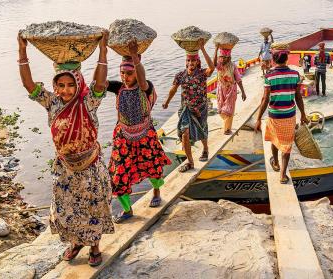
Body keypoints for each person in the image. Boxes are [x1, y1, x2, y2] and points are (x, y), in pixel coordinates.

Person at [17, 31, 114, 266]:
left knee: (93, 207)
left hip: (90, 167)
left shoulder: (88, 101)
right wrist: (22, 51)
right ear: (55, 86)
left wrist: (102, 50)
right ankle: (76, 242)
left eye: (71, 84)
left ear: (78, 83)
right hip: (65, 169)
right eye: (61, 85)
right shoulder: (52, 103)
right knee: (66, 210)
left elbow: (100, 83)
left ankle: (94, 247)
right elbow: (29, 84)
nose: (66, 90)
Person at [107, 40, 171, 223]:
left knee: (153, 167)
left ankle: (156, 191)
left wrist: (135, 57)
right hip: (123, 139)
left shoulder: (146, 87)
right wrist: (102, 55)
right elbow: (99, 84)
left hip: (145, 136)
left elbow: (142, 82)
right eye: (123, 73)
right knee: (118, 174)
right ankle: (127, 210)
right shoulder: (118, 88)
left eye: (129, 73)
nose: (125, 77)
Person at [254, 43, 309, 184]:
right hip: (289, 115)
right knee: (287, 145)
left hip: (274, 115)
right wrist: (303, 114)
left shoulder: (269, 75)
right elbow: (298, 96)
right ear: (286, 58)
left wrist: (259, 118)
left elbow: (265, 99)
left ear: (273, 58)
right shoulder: (295, 74)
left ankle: (276, 163)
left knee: (274, 140)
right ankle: (283, 175)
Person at [163, 39, 215, 172]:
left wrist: (202, 49)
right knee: (185, 133)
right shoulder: (180, 75)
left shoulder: (202, 74)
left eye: (193, 61)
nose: (190, 63)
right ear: (186, 62)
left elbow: (212, 68)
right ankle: (190, 162)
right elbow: (173, 89)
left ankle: (205, 148)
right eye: (188, 61)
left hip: (200, 108)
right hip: (186, 109)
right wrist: (167, 101)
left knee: (202, 131)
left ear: (197, 62)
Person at [213, 45, 247, 135]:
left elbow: (238, 80)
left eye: (225, 58)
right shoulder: (219, 65)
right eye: (221, 57)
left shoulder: (233, 66)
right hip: (221, 90)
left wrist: (243, 92)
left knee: (229, 109)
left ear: (229, 58)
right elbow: (213, 63)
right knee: (221, 109)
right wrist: (216, 50)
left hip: (231, 90)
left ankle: (227, 129)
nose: (223, 59)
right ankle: (226, 125)